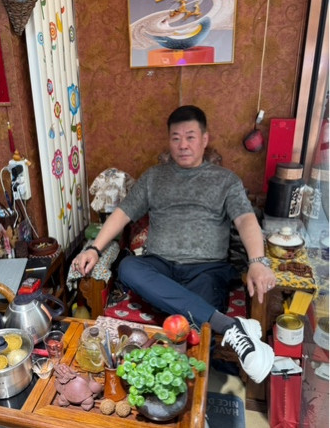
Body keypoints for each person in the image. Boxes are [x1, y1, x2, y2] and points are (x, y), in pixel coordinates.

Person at [73, 105, 275, 384]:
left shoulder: (225, 181)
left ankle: (184, 387)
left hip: (207, 269)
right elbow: (123, 213)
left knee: (197, 321)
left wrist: (257, 262)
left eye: (190, 137)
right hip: (160, 266)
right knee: (129, 267)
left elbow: (246, 220)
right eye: (176, 138)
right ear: (169, 141)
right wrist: (94, 249)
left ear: (204, 139)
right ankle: (231, 327)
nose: (183, 145)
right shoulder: (154, 177)